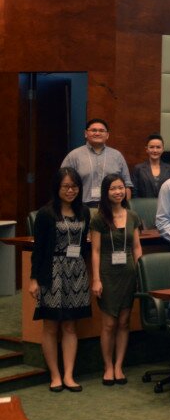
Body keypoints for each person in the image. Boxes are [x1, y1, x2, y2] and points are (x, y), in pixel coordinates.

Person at [29, 168, 92, 392]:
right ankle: (54, 376)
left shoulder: (84, 211)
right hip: (52, 271)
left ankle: (68, 375)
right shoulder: (46, 214)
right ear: (57, 188)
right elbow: (38, 249)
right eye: (65, 186)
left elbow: (84, 245)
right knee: (50, 326)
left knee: (70, 325)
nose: (70, 190)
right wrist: (34, 279)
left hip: (76, 272)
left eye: (74, 186)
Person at [90, 174, 143, 386]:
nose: (118, 192)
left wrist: (142, 274)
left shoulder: (132, 216)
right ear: (106, 192)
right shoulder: (99, 218)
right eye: (113, 188)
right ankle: (108, 366)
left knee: (124, 321)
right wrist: (96, 279)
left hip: (129, 272)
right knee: (109, 323)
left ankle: (119, 365)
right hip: (107, 273)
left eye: (121, 188)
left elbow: (137, 247)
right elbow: (94, 251)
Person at [61, 118, 133, 206]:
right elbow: (62, 184)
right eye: (93, 130)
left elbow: (127, 185)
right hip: (82, 207)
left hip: (112, 207)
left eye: (101, 131)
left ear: (107, 135)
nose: (97, 133)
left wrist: (124, 208)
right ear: (86, 133)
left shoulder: (117, 156)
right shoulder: (73, 156)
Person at [130, 133, 170, 199]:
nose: (155, 150)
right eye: (151, 147)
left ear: (163, 149)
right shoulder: (138, 169)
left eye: (158, 147)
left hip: (165, 207)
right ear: (146, 149)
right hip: (143, 207)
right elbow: (134, 193)